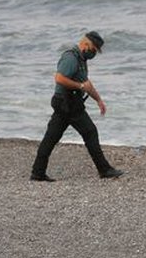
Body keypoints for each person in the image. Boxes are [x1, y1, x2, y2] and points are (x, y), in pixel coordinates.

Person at [30, 31, 124, 181]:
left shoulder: (80, 60)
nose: (94, 54)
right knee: (90, 132)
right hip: (68, 103)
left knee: (51, 137)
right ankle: (104, 169)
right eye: (93, 49)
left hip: (67, 103)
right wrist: (79, 86)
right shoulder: (70, 57)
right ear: (86, 44)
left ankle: (37, 172)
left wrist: (98, 100)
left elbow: (86, 84)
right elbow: (59, 78)